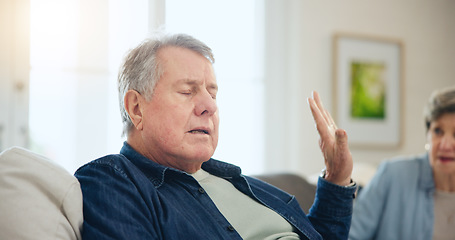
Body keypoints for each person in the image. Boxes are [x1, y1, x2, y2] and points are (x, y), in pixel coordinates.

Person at [75, 33, 357, 240]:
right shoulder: (112, 180)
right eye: (187, 91)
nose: (209, 106)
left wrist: (337, 177)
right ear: (136, 108)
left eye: (213, 93)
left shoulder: (237, 182)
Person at [349, 86, 455, 240]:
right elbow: (350, 235)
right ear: (428, 135)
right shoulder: (391, 174)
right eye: (438, 131)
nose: (445, 145)